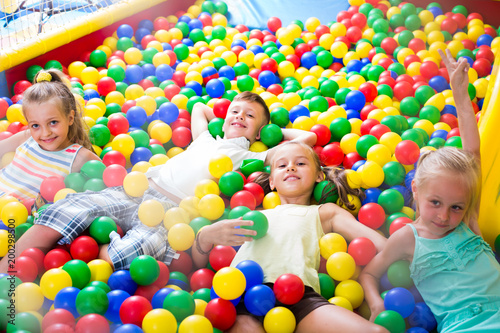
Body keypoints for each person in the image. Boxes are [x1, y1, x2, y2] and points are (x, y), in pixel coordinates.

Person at [0, 91, 316, 273]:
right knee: (68, 209)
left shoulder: (251, 157)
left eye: (249, 117)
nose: (240, 117)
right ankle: (7, 274)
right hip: (137, 189)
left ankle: (73, 261)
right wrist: (224, 113)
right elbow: (198, 107)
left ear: (259, 133)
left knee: (128, 256)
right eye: (235, 111)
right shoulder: (205, 138)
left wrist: (269, 134)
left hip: (171, 214)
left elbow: (309, 137)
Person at [359, 49, 500, 332]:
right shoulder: (408, 238)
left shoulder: (468, 222)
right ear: (416, 190)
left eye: (456, 207)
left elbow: (473, 153)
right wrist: (375, 304)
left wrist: (461, 96)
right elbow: (369, 273)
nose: (445, 216)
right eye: (435, 202)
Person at [192, 141, 388, 333]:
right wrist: (205, 236)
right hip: (241, 292)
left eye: (301, 163)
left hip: (298, 294)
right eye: (282, 165)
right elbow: (198, 263)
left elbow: (382, 245)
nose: (291, 168)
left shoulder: (325, 212)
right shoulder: (256, 216)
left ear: (319, 175)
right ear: (272, 181)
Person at [0, 69, 99, 202]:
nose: (45, 133)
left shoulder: (79, 158)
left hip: (19, 217)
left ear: (70, 118)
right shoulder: (27, 138)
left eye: (53, 122)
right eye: (35, 125)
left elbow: (108, 186)